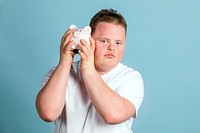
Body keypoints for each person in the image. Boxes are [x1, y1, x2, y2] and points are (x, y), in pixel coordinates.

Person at [36, 8, 144, 133]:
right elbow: (48, 113)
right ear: (88, 39)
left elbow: (113, 115)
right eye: (104, 41)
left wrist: (88, 69)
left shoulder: (130, 78)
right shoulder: (60, 72)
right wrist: (65, 62)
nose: (112, 48)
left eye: (118, 43)